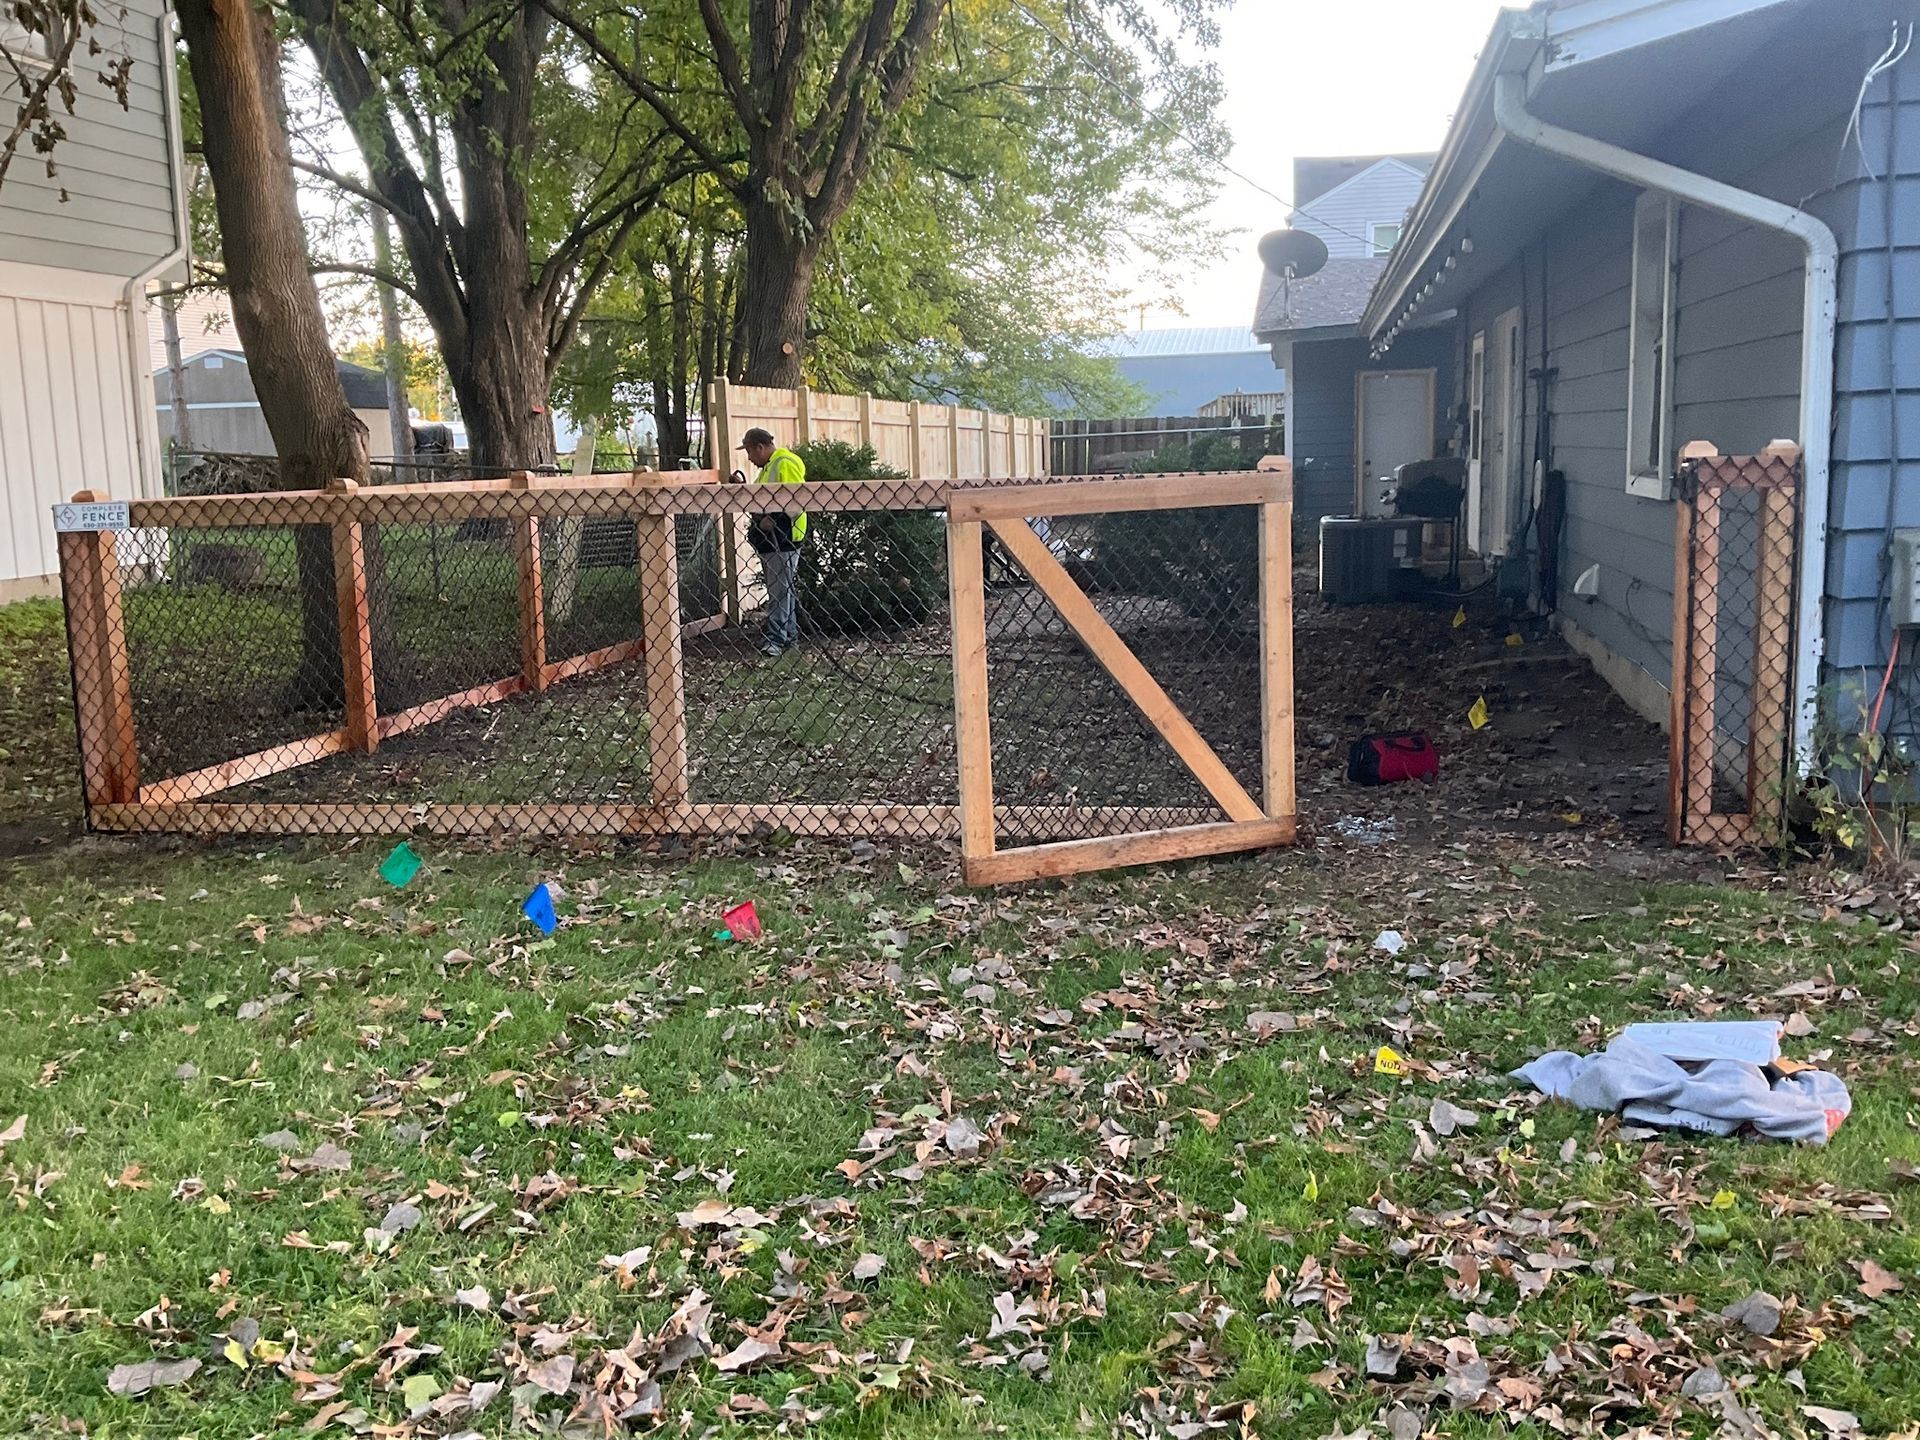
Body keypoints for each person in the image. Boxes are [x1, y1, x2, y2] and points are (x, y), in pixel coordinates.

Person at [739, 427, 807, 656]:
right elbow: (762, 497)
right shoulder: (770, 466)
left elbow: (795, 503)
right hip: (773, 539)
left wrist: (775, 521)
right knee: (781, 590)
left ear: (760, 447)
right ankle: (788, 636)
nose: (749, 457)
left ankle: (777, 640)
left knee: (780, 591)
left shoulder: (784, 463)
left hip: (784, 537)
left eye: (750, 451)